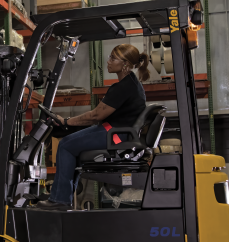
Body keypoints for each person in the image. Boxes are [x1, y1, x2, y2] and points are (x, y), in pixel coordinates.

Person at [37, 43, 149, 209]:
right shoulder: (132, 84)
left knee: (65, 145)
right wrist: (70, 122)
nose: (108, 61)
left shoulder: (123, 87)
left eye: (113, 58)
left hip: (116, 135)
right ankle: (63, 196)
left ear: (125, 64)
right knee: (72, 143)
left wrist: (67, 121)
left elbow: (96, 115)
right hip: (119, 132)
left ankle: (60, 199)